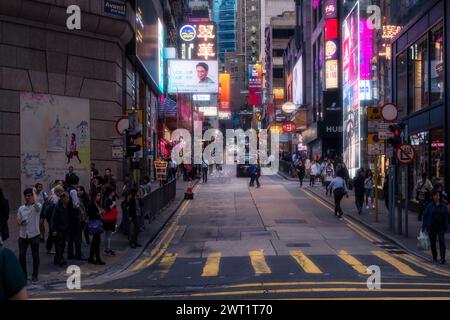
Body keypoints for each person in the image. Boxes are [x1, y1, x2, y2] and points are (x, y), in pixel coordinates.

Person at [17, 187, 42, 283]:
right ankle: (24, 275)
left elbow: (37, 204)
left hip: (34, 235)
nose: (27, 198)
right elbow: (18, 221)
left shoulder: (37, 207)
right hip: (23, 235)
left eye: (29, 196)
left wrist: (34, 192)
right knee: (21, 255)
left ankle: (35, 276)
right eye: (26, 196)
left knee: (35, 256)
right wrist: (20, 222)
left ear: (33, 196)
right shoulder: (21, 208)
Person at [422, 191, 448, 264]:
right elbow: (425, 216)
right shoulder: (429, 206)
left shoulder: (444, 206)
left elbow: (446, 217)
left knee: (441, 241)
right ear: (433, 197)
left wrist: (447, 227)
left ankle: (443, 258)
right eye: (435, 195)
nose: (436, 197)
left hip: (441, 227)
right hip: (432, 227)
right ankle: (435, 257)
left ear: (440, 197)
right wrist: (423, 227)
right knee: (433, 243)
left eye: (437, 195)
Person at [66, 175, 84, 260]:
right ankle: (78, 254)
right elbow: (75, 204)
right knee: (77, 236)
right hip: (74, 215)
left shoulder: (67, 189)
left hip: (68, 215)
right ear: (76, 182)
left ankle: (70, 254)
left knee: (70, 236)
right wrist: (81, 210)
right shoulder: (73, 191)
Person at [50, 192, 70, 266]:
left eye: (68, 198)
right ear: (62, 198)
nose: (68, 199)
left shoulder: (66, 206)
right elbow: (54, 219)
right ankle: (60, 259)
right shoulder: (57, 206)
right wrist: (53, 230)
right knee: (59, 245)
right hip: (58, 229)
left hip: (64, 228)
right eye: (67, 198)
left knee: (62, 245)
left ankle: (57, 259)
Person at [45, 185, 64, 255]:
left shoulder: (52, 197)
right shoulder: (55, 199)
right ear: (58, 192)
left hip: (50, 218)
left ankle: (48, 248)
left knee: (51, 233)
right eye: (61, 192)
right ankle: (49, 248)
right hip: (52, 218)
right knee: (52, 233)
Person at [87, 191, 105, 265]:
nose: (99, 197)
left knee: (96, 242)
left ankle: (91, 257)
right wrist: (100, 213)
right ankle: (97, 258)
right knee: (96, 242)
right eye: (98, 195)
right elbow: (91, 214)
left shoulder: (96, 203)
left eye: (99, 195)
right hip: (95, 223)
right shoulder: (91, 204)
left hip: (97, 223)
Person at [102, 186, 118, 256]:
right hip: (109, 219)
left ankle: (108, 248)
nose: (114, 193)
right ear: (110, 192)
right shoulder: (107, 199)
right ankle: (107, 249)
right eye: (113, 192)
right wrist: (113, 204)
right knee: (108, 235)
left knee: (108, 235)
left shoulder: (109, 198)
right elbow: (108, 209)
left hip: (110, 218)